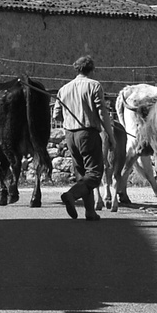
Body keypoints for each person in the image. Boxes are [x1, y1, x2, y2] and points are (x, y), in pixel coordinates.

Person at [54, 55, 116, 220]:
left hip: (70, 135)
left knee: (83, 175)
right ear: (92, 69)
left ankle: (90, 211)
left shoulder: (64, 89)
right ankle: (72, 195)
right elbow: (102, 113)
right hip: (88, 133)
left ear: (77, 69)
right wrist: (110, 135)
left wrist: (71, 119)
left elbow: (56, 116)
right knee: (95, 173)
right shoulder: (94, 85)